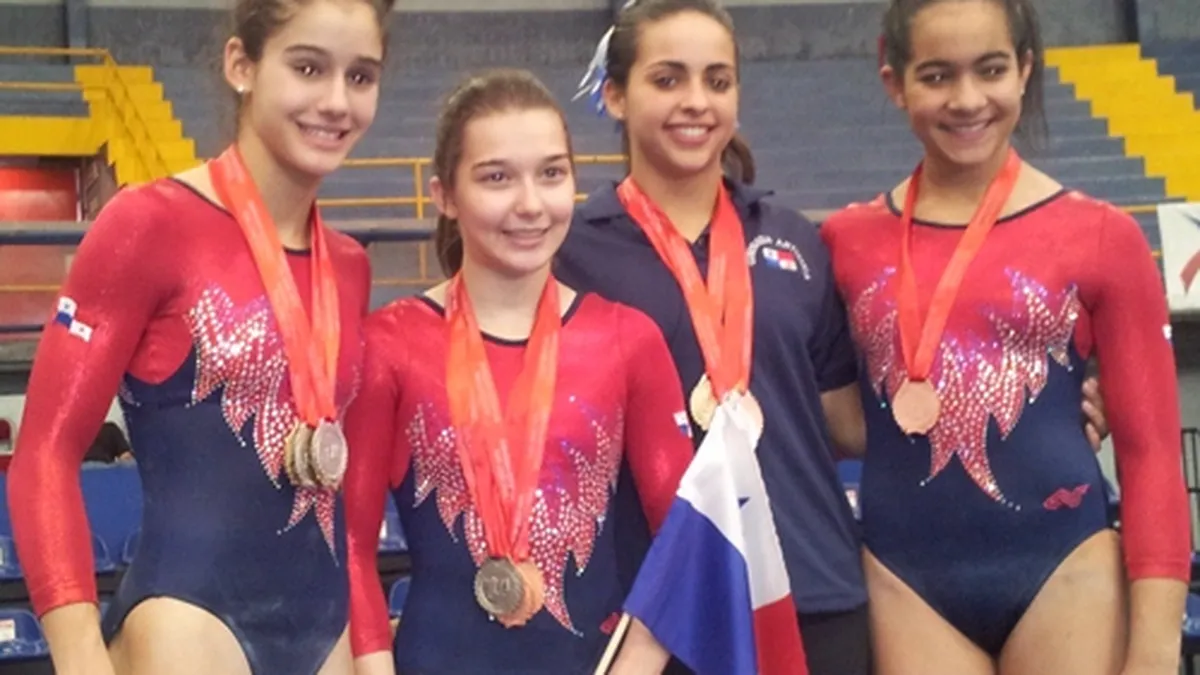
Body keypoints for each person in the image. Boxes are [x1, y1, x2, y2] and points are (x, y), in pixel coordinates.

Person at [559, 0, 1114, 672]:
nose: (696, 101)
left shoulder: (795, 241)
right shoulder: (571, 253)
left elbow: (856, 419)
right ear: (616, 95)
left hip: (812, 591)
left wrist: (1039, 411)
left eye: (718, 80)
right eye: (668, 79)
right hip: (655, 608)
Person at [6, 0, 391, 671]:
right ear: (241, 64)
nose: (337, 101)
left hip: (325, 630)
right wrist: (80, 659)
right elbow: (44, 453)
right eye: (308, 68)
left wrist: (371, 652)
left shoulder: (350, 266)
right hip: (188, 625)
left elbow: (349, 509)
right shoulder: (149, 225)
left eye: (360, 77)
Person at [819, 1, 1190, 673]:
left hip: (1065, 568)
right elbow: (833, 415)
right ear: (893, 81)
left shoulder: (1103, 236)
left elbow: (1152, 454)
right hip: (906, 582)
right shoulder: (845, 242)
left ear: (1024, 70)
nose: (967, 100)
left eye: (990, 70)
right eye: (936, 75)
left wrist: (1155, 654)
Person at [345, 69, 689, 675]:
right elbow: (349, 547)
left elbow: (688, 540)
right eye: (496, 178)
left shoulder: (626, 340)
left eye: (551, 173)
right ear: (444, 196)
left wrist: (635, 664)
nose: (530, 204)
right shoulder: (390, 344)